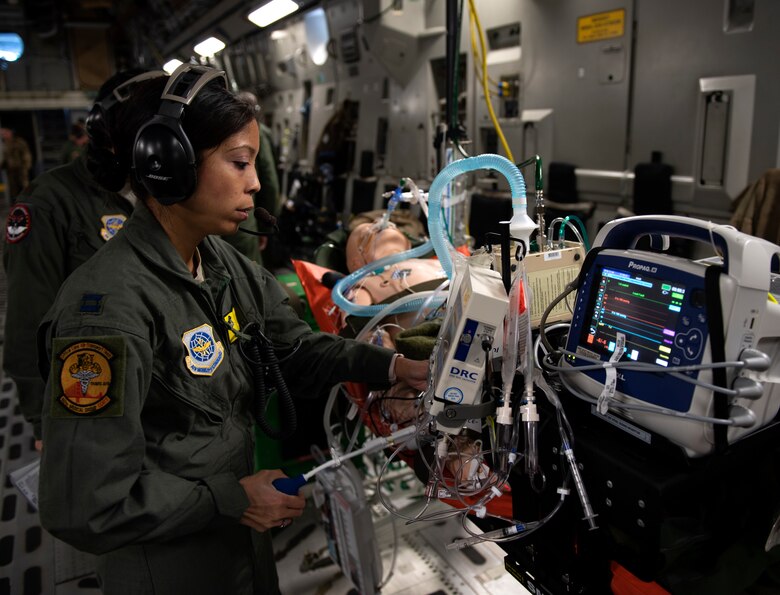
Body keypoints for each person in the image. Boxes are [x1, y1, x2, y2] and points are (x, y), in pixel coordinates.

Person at [37, 64, 428, 594]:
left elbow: (296, 347)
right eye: (239, 162)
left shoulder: (218, 262)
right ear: (170, 168)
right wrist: (234, 498)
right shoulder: (107, 314)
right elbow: (85, 505)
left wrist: (396, 366)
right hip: (172, 566)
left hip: (239, 544)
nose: (256, 182)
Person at [3, 69, 162, 446]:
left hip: (160, 390)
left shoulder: (161, 189)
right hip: (94, 390)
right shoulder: (48, 203)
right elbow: (29, 318)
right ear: (106, 133)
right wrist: (44, 422)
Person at [0, 126, 33, 200]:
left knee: (24, 186)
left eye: (5, 133)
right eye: (2, 134)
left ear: (11, 132)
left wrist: (26, 166)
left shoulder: (19, 142)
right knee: (13, 188)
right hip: (11, 170)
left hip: (21, 168)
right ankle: (15, 203)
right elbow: (5, 158)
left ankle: (28, 200)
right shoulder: (5, 144)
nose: (4, 135)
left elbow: (26, 154)